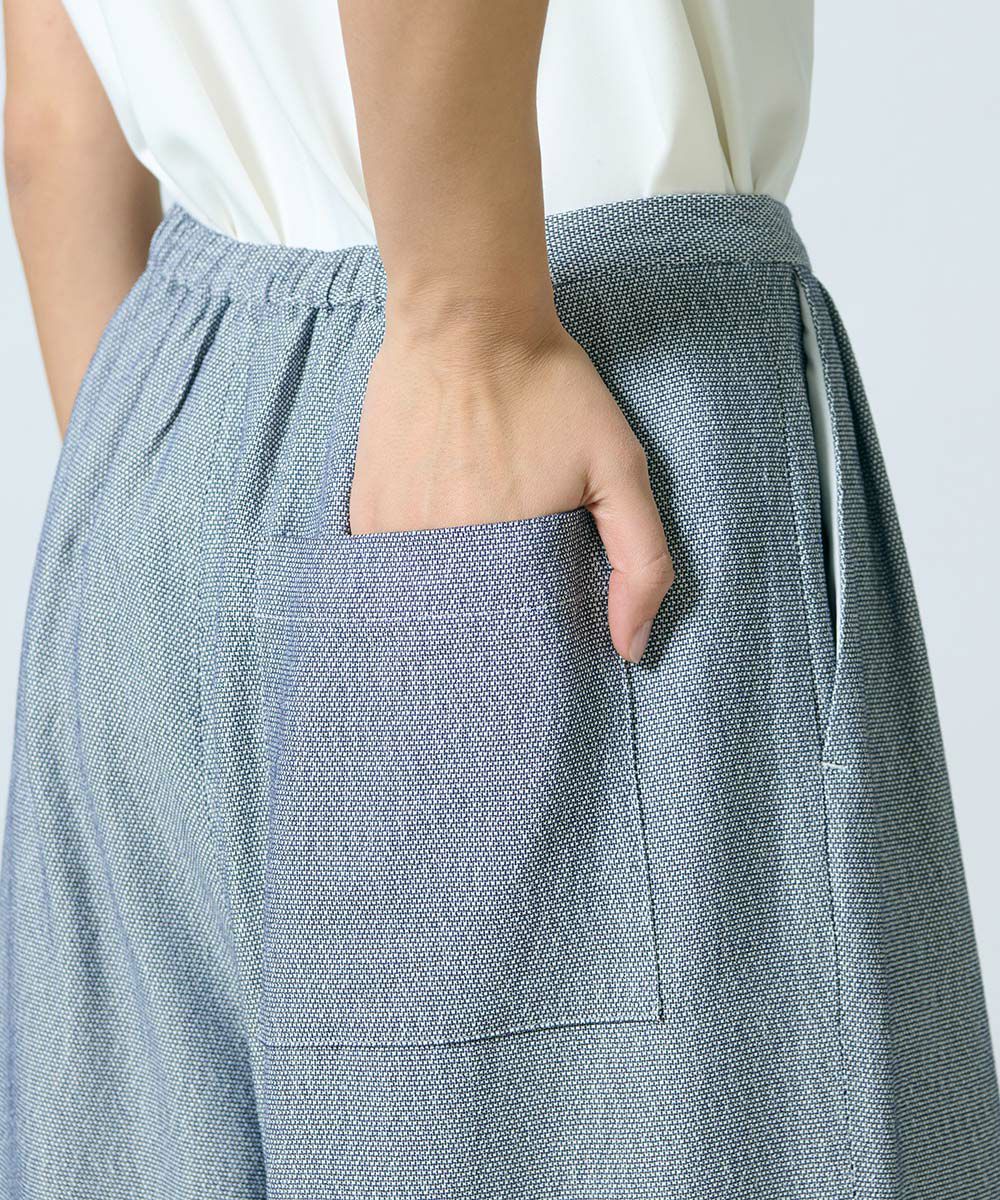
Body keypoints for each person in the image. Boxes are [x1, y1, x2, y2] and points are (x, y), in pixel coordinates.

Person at [1, 0, 997, 1196]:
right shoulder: (478, 335)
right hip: (542, 366)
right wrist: (472, 326)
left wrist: (153, 490)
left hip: (166, 410)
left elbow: (54, 123)